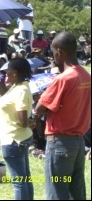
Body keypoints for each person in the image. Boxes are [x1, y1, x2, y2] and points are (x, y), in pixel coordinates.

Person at [34, 32, 91, 200]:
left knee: (57, 192)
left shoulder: (63, 79)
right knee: (76, 191)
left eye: (53, 52)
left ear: (59, 51)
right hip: (79, 142)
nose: (52, 55)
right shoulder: (86, 76)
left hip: (60, 142)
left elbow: (39, 108)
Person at [0, 58, 35, 200]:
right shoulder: (18, 86)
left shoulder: (21, 90)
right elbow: (6, 95)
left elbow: (22, 120)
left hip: (13, 141)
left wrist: (29, 122)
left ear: (15, 72)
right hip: (19, 138)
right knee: (25, 178)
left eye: (7, 69)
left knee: (19, 182)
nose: (5, 72)